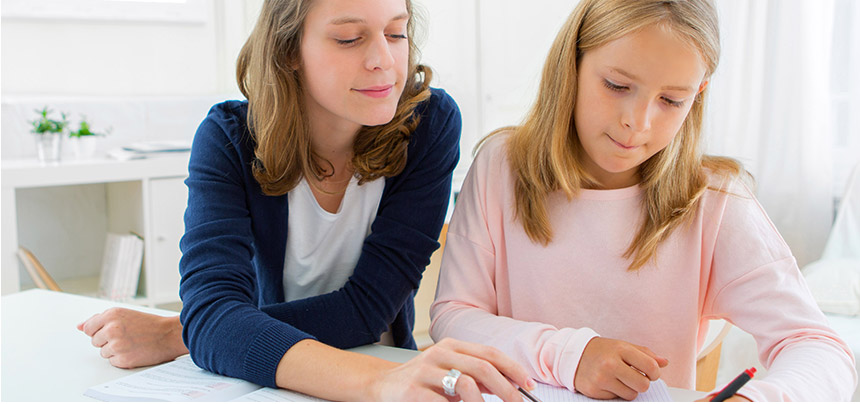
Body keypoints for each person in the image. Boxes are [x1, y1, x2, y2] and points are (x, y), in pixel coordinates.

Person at [77, 0, 535, 401]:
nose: (384, 60)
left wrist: (189, 333)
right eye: (349, 38)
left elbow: (365, 309)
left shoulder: (428, 125)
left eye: (397, 33)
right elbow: (214, 313)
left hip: (376, 371)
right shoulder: (229, 138)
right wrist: (208, 329)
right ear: (288, 49)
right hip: (271, 383)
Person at [428, 0, 857, 402]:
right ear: (572, 64)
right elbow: (454, 317)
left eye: (672, 100)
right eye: (617, 85)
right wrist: (571, 355)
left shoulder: (714, 199)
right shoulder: (501, 166)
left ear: (698, 94)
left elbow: (819, 347)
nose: (638, 121)